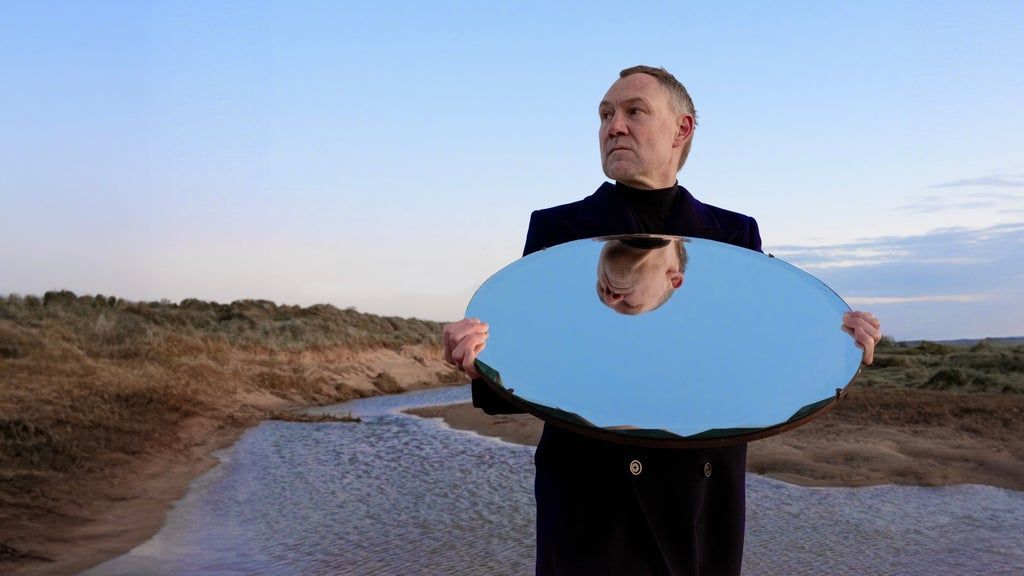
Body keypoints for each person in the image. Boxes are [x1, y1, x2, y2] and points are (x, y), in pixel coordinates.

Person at [443, 65, 882, 575]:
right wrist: (481, 361)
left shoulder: (734, 237)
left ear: (682, 129)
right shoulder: (556, 231)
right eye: (605, 114)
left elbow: (753, 363)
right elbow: (532, 376)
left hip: (701, 498)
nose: (614, 126)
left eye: (634, 111)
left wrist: (835, 341)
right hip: (590, 502)